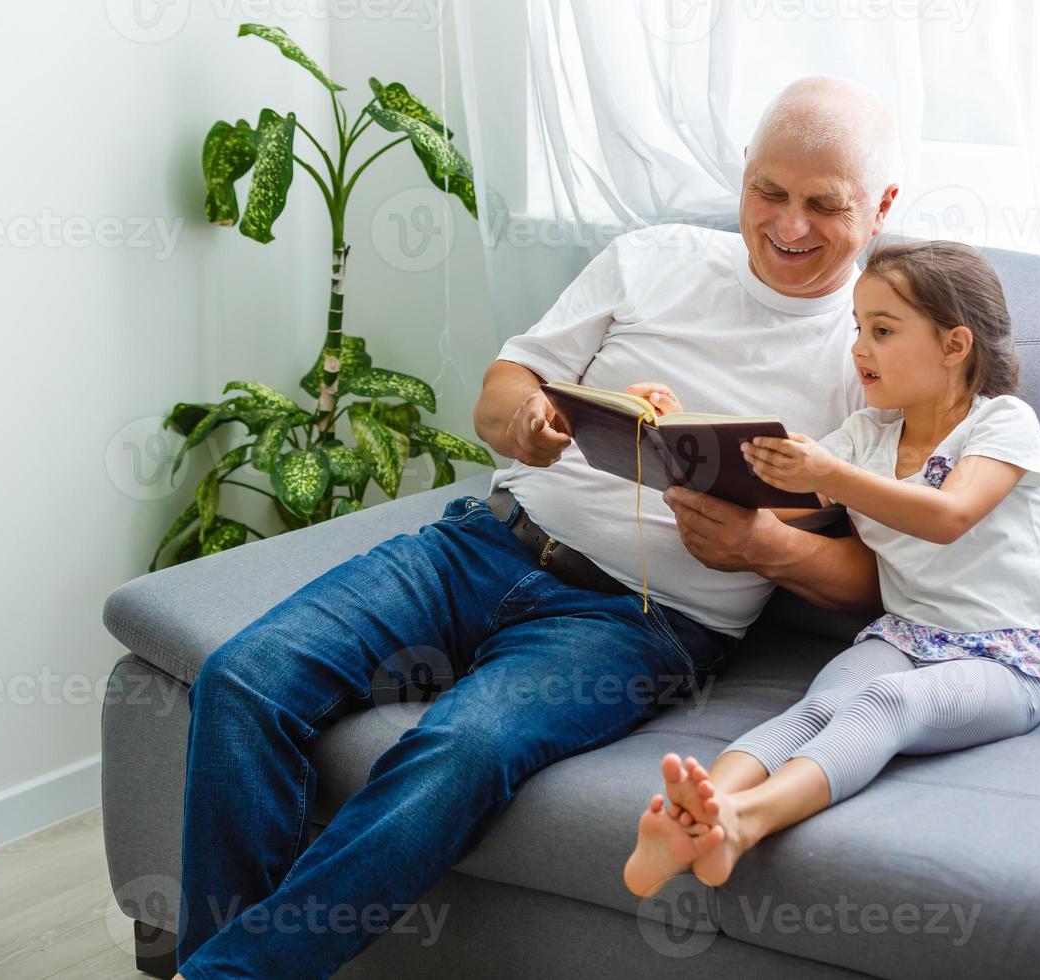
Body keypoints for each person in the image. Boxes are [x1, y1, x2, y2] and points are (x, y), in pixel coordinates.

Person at [173, 76, 900, 979]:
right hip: (481, 543)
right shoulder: (653, 259)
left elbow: (880, 579)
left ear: (881, 209)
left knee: (460, 750)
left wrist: (766, 549)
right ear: (743, 175)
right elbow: (501, 393)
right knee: (243, 677)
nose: (788, 224)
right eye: (768, 192)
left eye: (823, 206)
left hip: (639, 620)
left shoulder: (878, 350)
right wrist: (527, 423)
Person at [622, 240, 1040, 897]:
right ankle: (686, 821)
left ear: (955, 345)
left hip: (1004, 660)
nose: (859, 348)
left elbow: (948, 514)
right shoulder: (865, 437)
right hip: (907, 636)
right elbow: (756, 493)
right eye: (857, 328)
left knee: (883, 702)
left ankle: (739, 822)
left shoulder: (1002, 426)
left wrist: (830, 473)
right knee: (823, 701)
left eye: (882, 330)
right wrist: (671, 434)